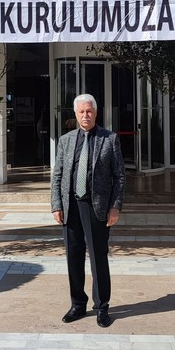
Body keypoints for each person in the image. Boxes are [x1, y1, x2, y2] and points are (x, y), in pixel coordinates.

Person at [51, 93, 125, 327]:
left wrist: (115, 206)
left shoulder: (109, 139)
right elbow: (57, 175)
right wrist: (56, 205)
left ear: (96, 113)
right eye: (82, 111)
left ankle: (102, 307)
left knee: (98, 258)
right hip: (71, 206)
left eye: (89, 111)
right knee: (73, 257)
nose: (86, 115)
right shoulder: (66, 141)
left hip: (97, 207)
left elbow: (119, 177)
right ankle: (77, 304)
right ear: (75, 114)